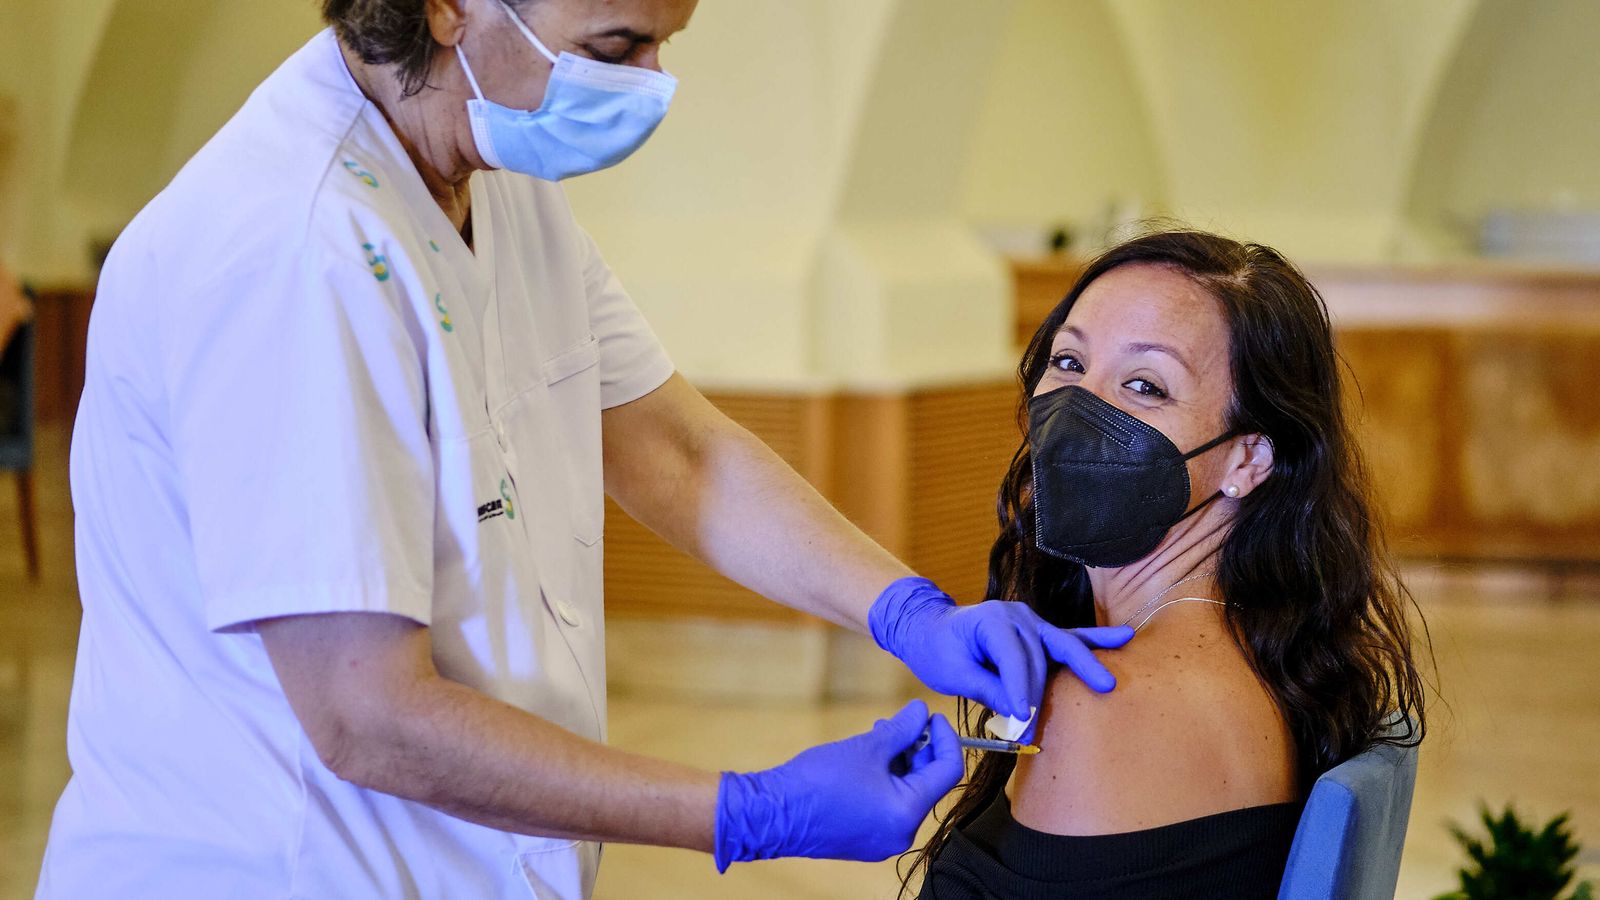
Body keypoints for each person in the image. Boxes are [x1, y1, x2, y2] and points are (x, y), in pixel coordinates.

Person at [35, 1, 1136, 897]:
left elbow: (678, 454)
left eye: (666, 44)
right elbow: (368, 717)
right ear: (448, 8)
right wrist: (745, 813)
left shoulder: (494, 185)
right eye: (618, 49)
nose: (650, 85)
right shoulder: (293, 247)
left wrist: (908, 614)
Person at [907, 230, 1429, 899]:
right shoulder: (1255, 644)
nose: (1079, 409)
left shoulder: (1111, 698)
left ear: (1248, 459)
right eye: (1068, 361)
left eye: (1145, 385)